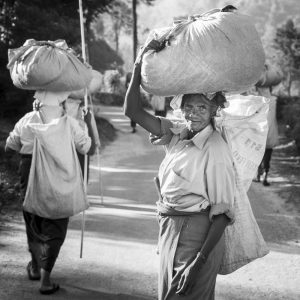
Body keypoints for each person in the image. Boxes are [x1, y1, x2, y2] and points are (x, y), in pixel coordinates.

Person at [124, 40, 235, 300]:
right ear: (180, 106)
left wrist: (199, 261)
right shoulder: (177, 134)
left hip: (198, 238)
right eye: (188, 106)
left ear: (213, 111)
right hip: (170, 230)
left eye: (202, 108)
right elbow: (131, 110)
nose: (193, 113)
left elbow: (222, 214)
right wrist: (140, 62)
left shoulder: (215, 148)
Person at [5, 92, 92, 295]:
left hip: (30, 174)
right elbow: (85, 147)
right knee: (56, 222)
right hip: (60, 177)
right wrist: (84, 124)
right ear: (61, 102)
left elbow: (10, 145)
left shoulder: (27, 120)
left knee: (34, 220)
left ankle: (35, 267)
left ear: (37, 101)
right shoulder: (70, 123)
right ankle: (45, 279)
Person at [255, 86, 279, 186]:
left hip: (260, 133)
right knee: (266, 156)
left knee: (258, 156)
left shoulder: (258, 101)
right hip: (269, 133)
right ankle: (264, 176)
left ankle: (259, 176)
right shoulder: (273, 100)